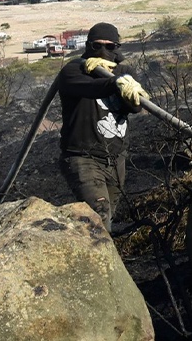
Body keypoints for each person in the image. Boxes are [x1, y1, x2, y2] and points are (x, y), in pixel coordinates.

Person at [56, 22, 148, 232]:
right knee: (99, 216)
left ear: (117, 48)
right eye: (96, 46)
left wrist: (125, 81)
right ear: (88, 46)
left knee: (106, 219)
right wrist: (114, 82)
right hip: (82, 157)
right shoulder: (73, 70)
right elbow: (90, 88)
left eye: (110, 47)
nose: (103, 51)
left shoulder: (125, 71)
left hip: (116, 159)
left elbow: (134, 107)